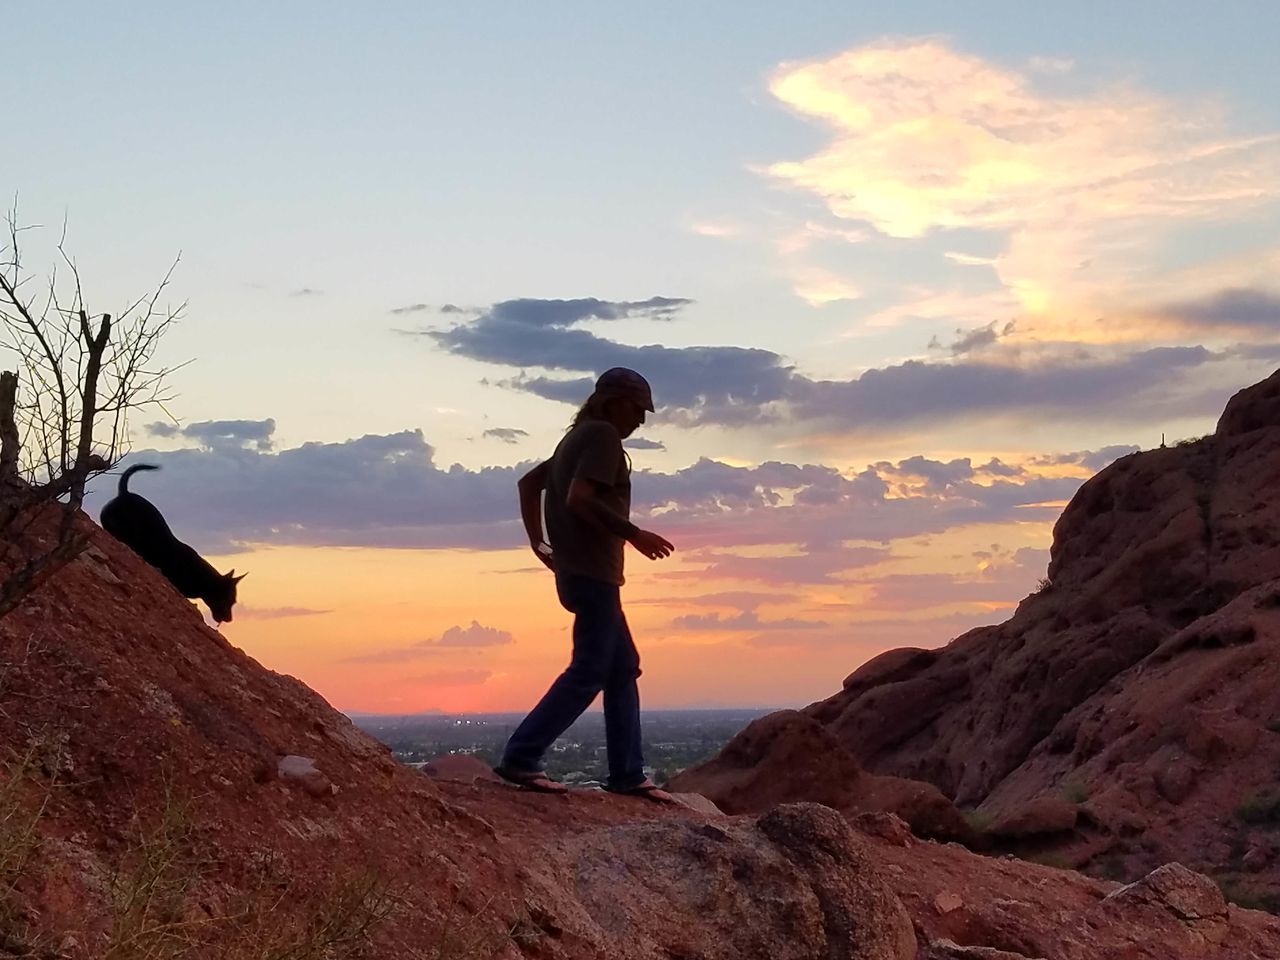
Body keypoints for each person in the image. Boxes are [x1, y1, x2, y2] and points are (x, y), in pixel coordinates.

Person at [496, 367, 676, 800]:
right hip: (593, 571)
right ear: (612, 401)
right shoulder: (601, 437)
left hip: (577, 570)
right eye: (637, 410)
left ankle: (627, 774)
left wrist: (538, 542)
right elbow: (580, 497)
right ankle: (522, 757)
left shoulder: (573, 438)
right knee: (590, 669)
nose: (641, 421)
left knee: (621, 667)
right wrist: (634, 534)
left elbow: (529, 483)